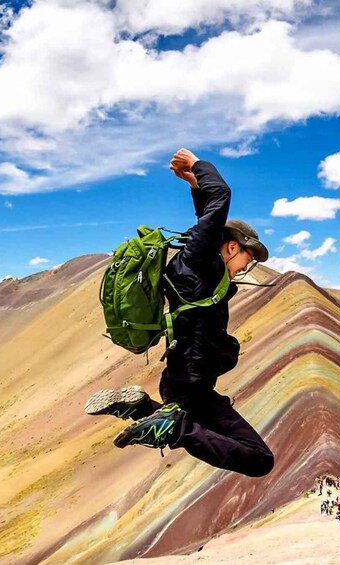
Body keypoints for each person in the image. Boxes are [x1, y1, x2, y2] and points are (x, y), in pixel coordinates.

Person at [84, 148, 275, 478]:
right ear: (232, 247)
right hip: (193, 382)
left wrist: (193, 185)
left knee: (197, 426)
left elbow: (207, 218)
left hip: (183, 381)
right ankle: (168, 426)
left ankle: (142, 409)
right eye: (249, 256)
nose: (248, 265)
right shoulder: (201, 261)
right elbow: (221, 198)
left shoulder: (195, 264)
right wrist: (198, 166)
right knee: (259, 460)